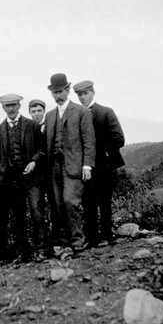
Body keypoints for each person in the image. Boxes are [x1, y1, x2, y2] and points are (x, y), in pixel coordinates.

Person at [44, 73, 96, 255]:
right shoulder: (49, 116)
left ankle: (77, 240)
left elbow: (89, 141)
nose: (57, 96)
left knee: (70, 202)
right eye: (54, 92)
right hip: (54, 166)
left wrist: (87, 165)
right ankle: (65, 242)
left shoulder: (81, 112)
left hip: (74, 165)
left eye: (60, 91)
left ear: (67, 90)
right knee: (58, 204)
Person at [0, 94, 47, 263]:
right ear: (3, 108)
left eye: (13, 105)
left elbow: (42, 149)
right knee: (18, 216)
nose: (11, 109)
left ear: (18, 106)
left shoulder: (31, 125)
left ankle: (42, 249)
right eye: (7, 106)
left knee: (36, 211)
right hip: (12, 179)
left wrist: (34, 161)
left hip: (31, 178)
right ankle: (23, 252)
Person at [73, 80, 125, 246]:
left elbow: (119, 138)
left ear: (93, 93)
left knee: (104, 201)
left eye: (85, 93)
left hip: (104, 166)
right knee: (88, 202)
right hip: (85, 167)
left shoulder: (105, 112)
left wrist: (101, 152)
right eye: (80, 95)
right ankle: (91, 238)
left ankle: (107, 235)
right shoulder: (77, 115)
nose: (83, 97)